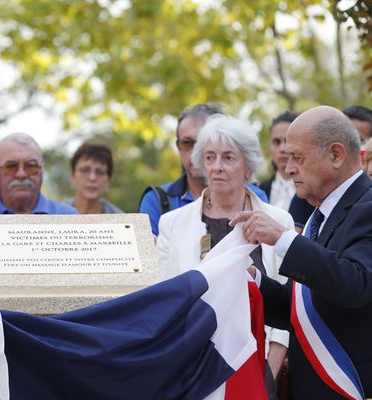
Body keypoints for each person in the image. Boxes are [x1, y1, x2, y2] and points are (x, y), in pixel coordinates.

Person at [231, 105, 372, 399]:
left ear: (335, 154)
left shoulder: (367, 206)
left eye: (297, 157)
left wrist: (284, 240)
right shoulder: (320, 215)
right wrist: (252, 279)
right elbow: (299, 310)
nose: (288, 168)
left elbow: (356, 284)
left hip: (350, 387)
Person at [157, 115, 293, 399]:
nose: (217, 167)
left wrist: (269, 371)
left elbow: (290, 302)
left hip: (260, 361)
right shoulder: (172, 223)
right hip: (194, 367)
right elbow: (166, 302)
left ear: (248, 167)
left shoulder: (279, 220)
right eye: (210, 157)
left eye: (228, 157)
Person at [0, 132, 77, 287]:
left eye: (31, 166)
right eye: (11, 166)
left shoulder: (68, 217)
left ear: (42, 172)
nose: (21, 174)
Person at [138, 103, 268, 235]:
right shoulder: (157, 200)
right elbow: (147, 253)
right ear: (178, 147)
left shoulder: (256, 198)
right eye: (187, 143)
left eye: (204, 142)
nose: (196, 152)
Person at [66, 141, 123, 214]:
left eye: (100, 172)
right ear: (73, 177)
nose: (92, 178)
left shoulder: (122, 221)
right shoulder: (53, 216)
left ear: (108, 180)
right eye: (85, 171)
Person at [259, 111, 299, 211]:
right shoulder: (260, 190)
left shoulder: (313, 191)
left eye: (287, 141)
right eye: (276, 142)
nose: (282, 148)